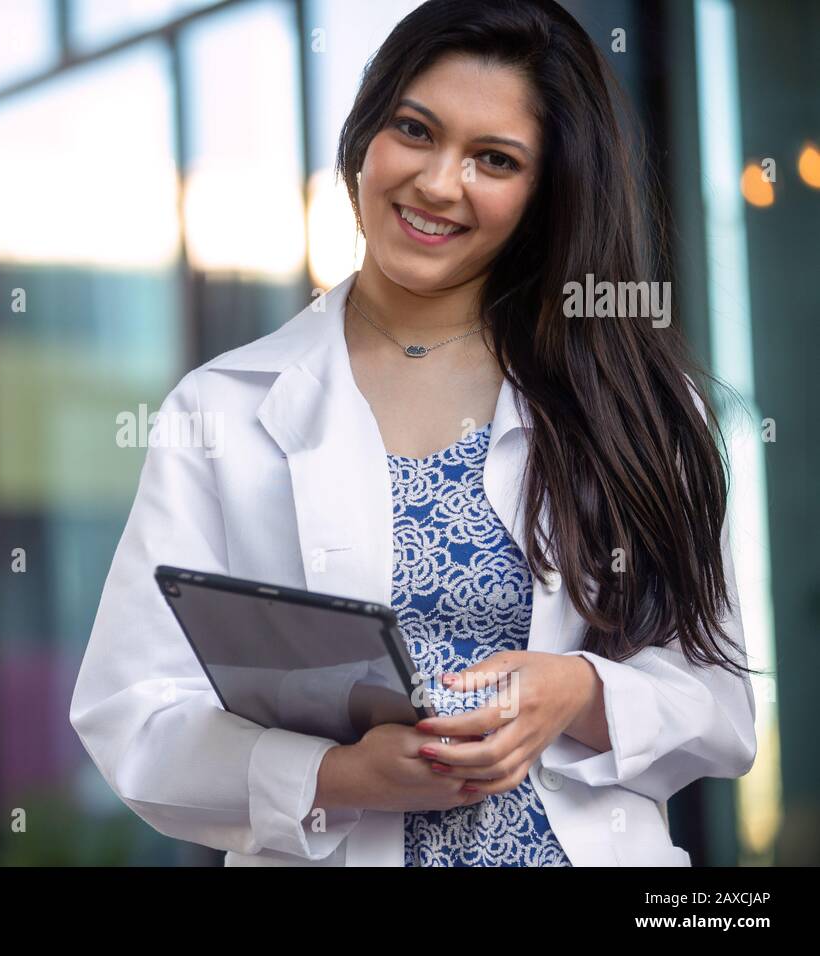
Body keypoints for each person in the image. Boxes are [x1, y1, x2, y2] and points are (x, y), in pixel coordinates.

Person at [69, 0, 759, 866]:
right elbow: (132, 711)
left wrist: (577, 692)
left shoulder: (636, 406)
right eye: (415, 130)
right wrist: (336, 776)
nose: (438, 183)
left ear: (545, 195)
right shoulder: (224, 409)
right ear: (366, 135)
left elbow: (722, 708)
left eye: (494, 160)